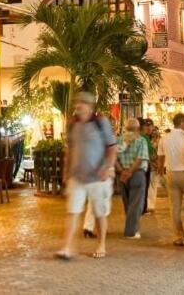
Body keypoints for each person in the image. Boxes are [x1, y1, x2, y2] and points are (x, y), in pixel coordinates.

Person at [55, 92, 117, 260]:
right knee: (72, 211)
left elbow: (112, 147)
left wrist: (107, 167)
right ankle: (68, 247)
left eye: (82, 104)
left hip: (98, 176)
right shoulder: (73, 124)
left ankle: (101, 244)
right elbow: (70, 149)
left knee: (99, 213)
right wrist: (66, 172)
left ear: (89, 106)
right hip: (77, 177)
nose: (78, 106)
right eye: (77, 103)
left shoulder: (100, 123)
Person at [158, 113, 184, 246]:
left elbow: (160, 158)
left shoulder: (164, 138)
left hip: (171, 174)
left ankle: (179, 236)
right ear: (182, 122)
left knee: (174, 207)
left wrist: (161, 173)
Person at [114, 118, 148, 239]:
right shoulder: (141, 140)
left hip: (122, 176)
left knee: (127, 202)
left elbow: (113, 158)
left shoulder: (118, 140)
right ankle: (131, 231)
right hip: (137, 174)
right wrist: (130, 171)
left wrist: (122, 171)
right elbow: (140, 159)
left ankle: (134, 228)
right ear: (138, 129)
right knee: (136, 204)